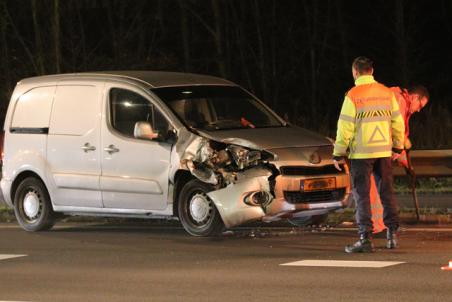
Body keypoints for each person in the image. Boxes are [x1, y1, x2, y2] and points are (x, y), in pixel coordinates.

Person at [332, 56, 405, 253]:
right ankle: (392, 235)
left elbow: (345, 127)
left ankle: (365, 238)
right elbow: (398, 122)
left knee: (361, 195)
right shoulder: (385, 92)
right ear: (372, 71)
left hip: (361, 154)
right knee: (387, 192)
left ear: (355, 72)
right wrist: (398, 147)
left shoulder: (353, 95)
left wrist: (338, 153)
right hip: (383, 152)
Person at [370, 85, 430, 232]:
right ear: (415, 97)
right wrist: (403, 140)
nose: (419, 109)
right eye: (420, 105)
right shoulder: (399, 100)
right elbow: (394, 128)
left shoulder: (397, 98)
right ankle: (376, 228)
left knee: (379, 188)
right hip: (373, 150)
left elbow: (397, 137)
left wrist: (407, 165)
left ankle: (380, 226)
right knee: (375, 189)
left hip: (375, 149)